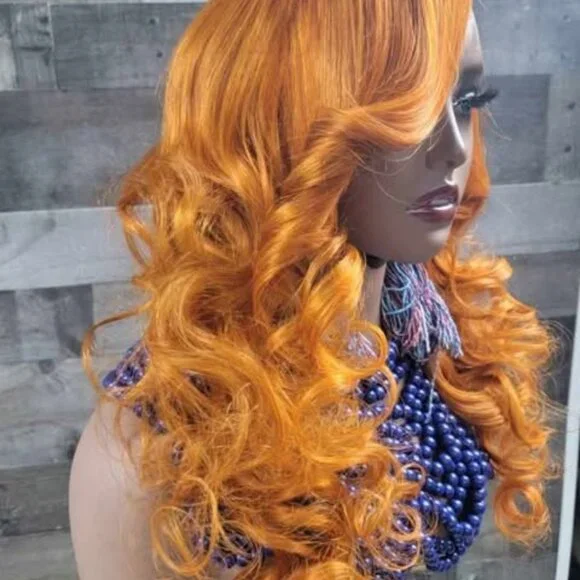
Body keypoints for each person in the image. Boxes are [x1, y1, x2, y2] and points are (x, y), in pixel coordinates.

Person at [68, 1, 556, 578]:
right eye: (404, 113)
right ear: (279, 127)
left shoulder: (431, 336)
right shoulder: (147, 455)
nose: (454, 149)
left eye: (467, 101)